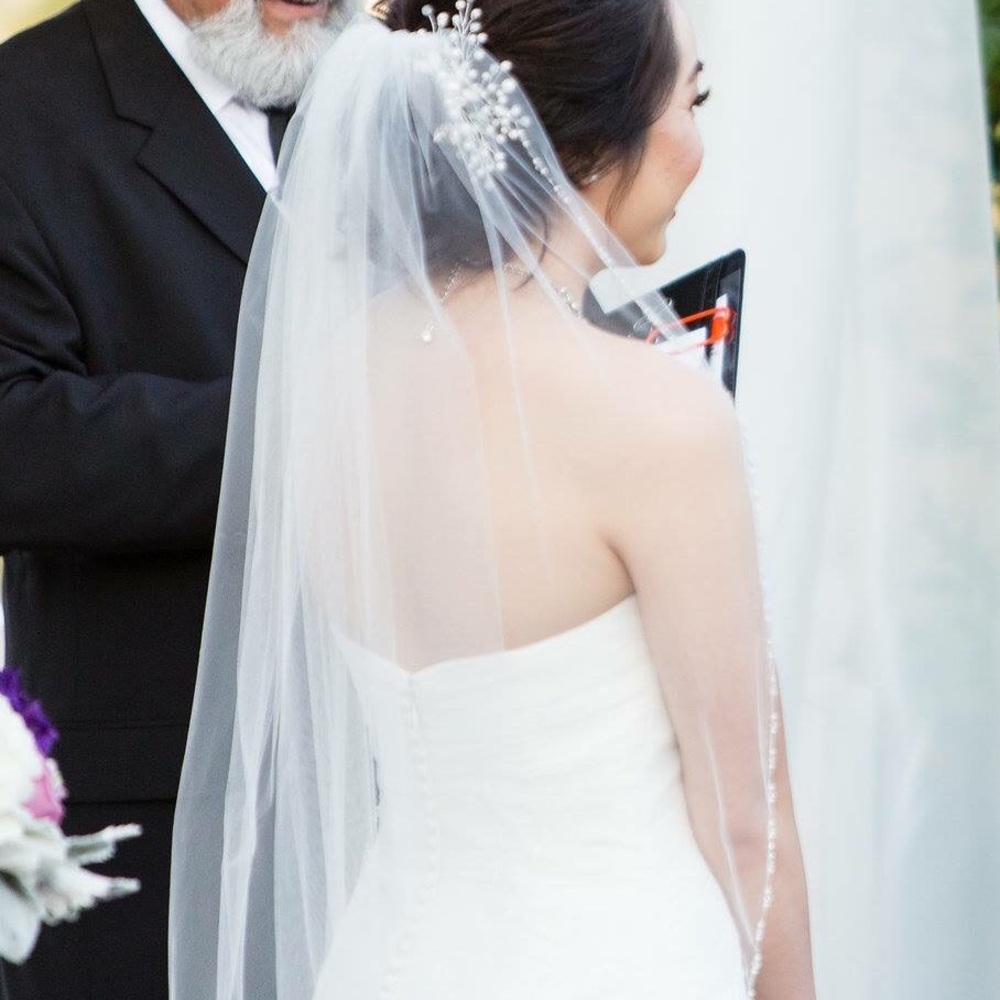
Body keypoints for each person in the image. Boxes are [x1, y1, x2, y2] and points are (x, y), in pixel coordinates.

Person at [171, 1, 817, 998]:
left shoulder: (330, 379)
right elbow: (745, 819)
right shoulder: (657, 417)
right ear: (588, 140)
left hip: (390, 957)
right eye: (691, 101)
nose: (697, 143)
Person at [0, 0, 348, 996]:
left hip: (389, 799)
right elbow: (15, 438)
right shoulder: (25, 110)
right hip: (151, 818)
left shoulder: (383, 83)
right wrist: (313, 428)